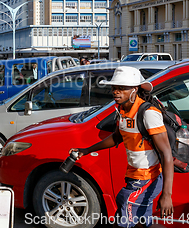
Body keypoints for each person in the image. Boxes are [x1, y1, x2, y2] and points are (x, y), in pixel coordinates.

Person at [69, 66, 173, 228]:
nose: (115, 92)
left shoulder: (148, 113)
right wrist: (86, 150)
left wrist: (167, 194)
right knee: (141, 222)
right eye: (114, 88)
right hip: (133, 175)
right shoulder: (122, 110)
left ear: (135, 89)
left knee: (123, 215)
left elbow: (166, 154)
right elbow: (117, 137)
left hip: (146, 178)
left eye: (121, 88)